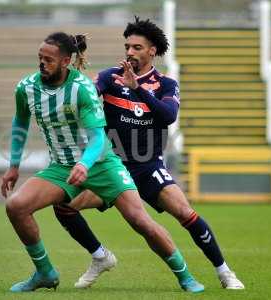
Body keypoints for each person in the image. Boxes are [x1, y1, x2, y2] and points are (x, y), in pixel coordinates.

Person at [1, 31, 204, 293]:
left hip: (101, 163)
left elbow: (98, 138)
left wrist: (84, 164)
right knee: (16, 206)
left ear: (65, 61)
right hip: (61, 167)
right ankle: (45, 272)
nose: (42, 63)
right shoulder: (26, 87)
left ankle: (184, 275)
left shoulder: (82, 88)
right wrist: (14, 166)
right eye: (40, 58)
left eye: (49, 59)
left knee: (139, 220)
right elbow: (20, 121)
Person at [53, 17, 245, 290]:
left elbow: (168, 115)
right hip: (112, 167)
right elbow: (82, 97)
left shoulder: (166, 84)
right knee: (63, 207)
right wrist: (73, 71)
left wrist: (137, 89)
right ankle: (99, 256)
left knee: (186, 214)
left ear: (152, 51)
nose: (130, 52)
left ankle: (225, 273)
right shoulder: (110, 77)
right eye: (127, 46)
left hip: (147, 166)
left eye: (137, 47)